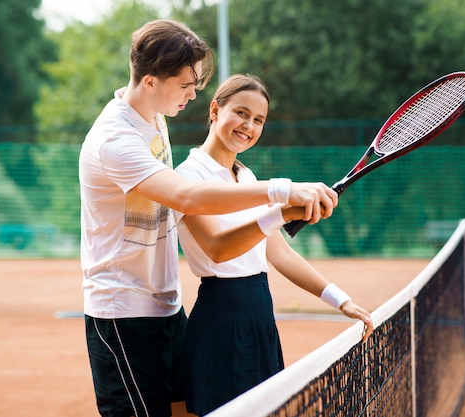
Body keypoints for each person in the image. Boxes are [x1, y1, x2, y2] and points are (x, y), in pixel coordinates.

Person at [79, 20, 339, 417]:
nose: (193, 93)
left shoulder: (153, 119)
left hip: (166, 306)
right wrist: (282, 192)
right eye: (186, 85)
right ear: (151, 82)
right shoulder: (115, 139)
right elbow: (187, 196)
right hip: (122, 312)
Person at [173, 74, 374, 416]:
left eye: (258, 120)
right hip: (221, 321)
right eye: (241, 113)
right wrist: (279, 212)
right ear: (214, 109)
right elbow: (218, 250)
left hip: (260, 317)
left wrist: (341, 300)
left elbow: (279, 252)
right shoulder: (186, 179)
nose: (248, 126)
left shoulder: (247, 177)